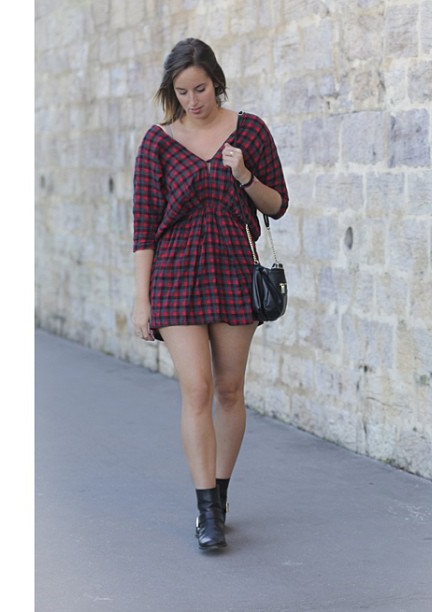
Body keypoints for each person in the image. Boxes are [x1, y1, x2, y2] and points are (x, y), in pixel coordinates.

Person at [132, 38, 289, 551]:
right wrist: (141, 299)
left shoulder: (251, 131)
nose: (192, 100)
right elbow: (144, 226)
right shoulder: (157, 142)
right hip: (175, 275)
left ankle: (219, 496)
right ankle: (206, 513)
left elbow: (277, 204)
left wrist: (244, 175)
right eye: (182, 92)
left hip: (232, 270)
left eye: (199, 89)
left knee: (229, 390)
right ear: (171, 92)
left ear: (215, 82)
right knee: (196, 389)